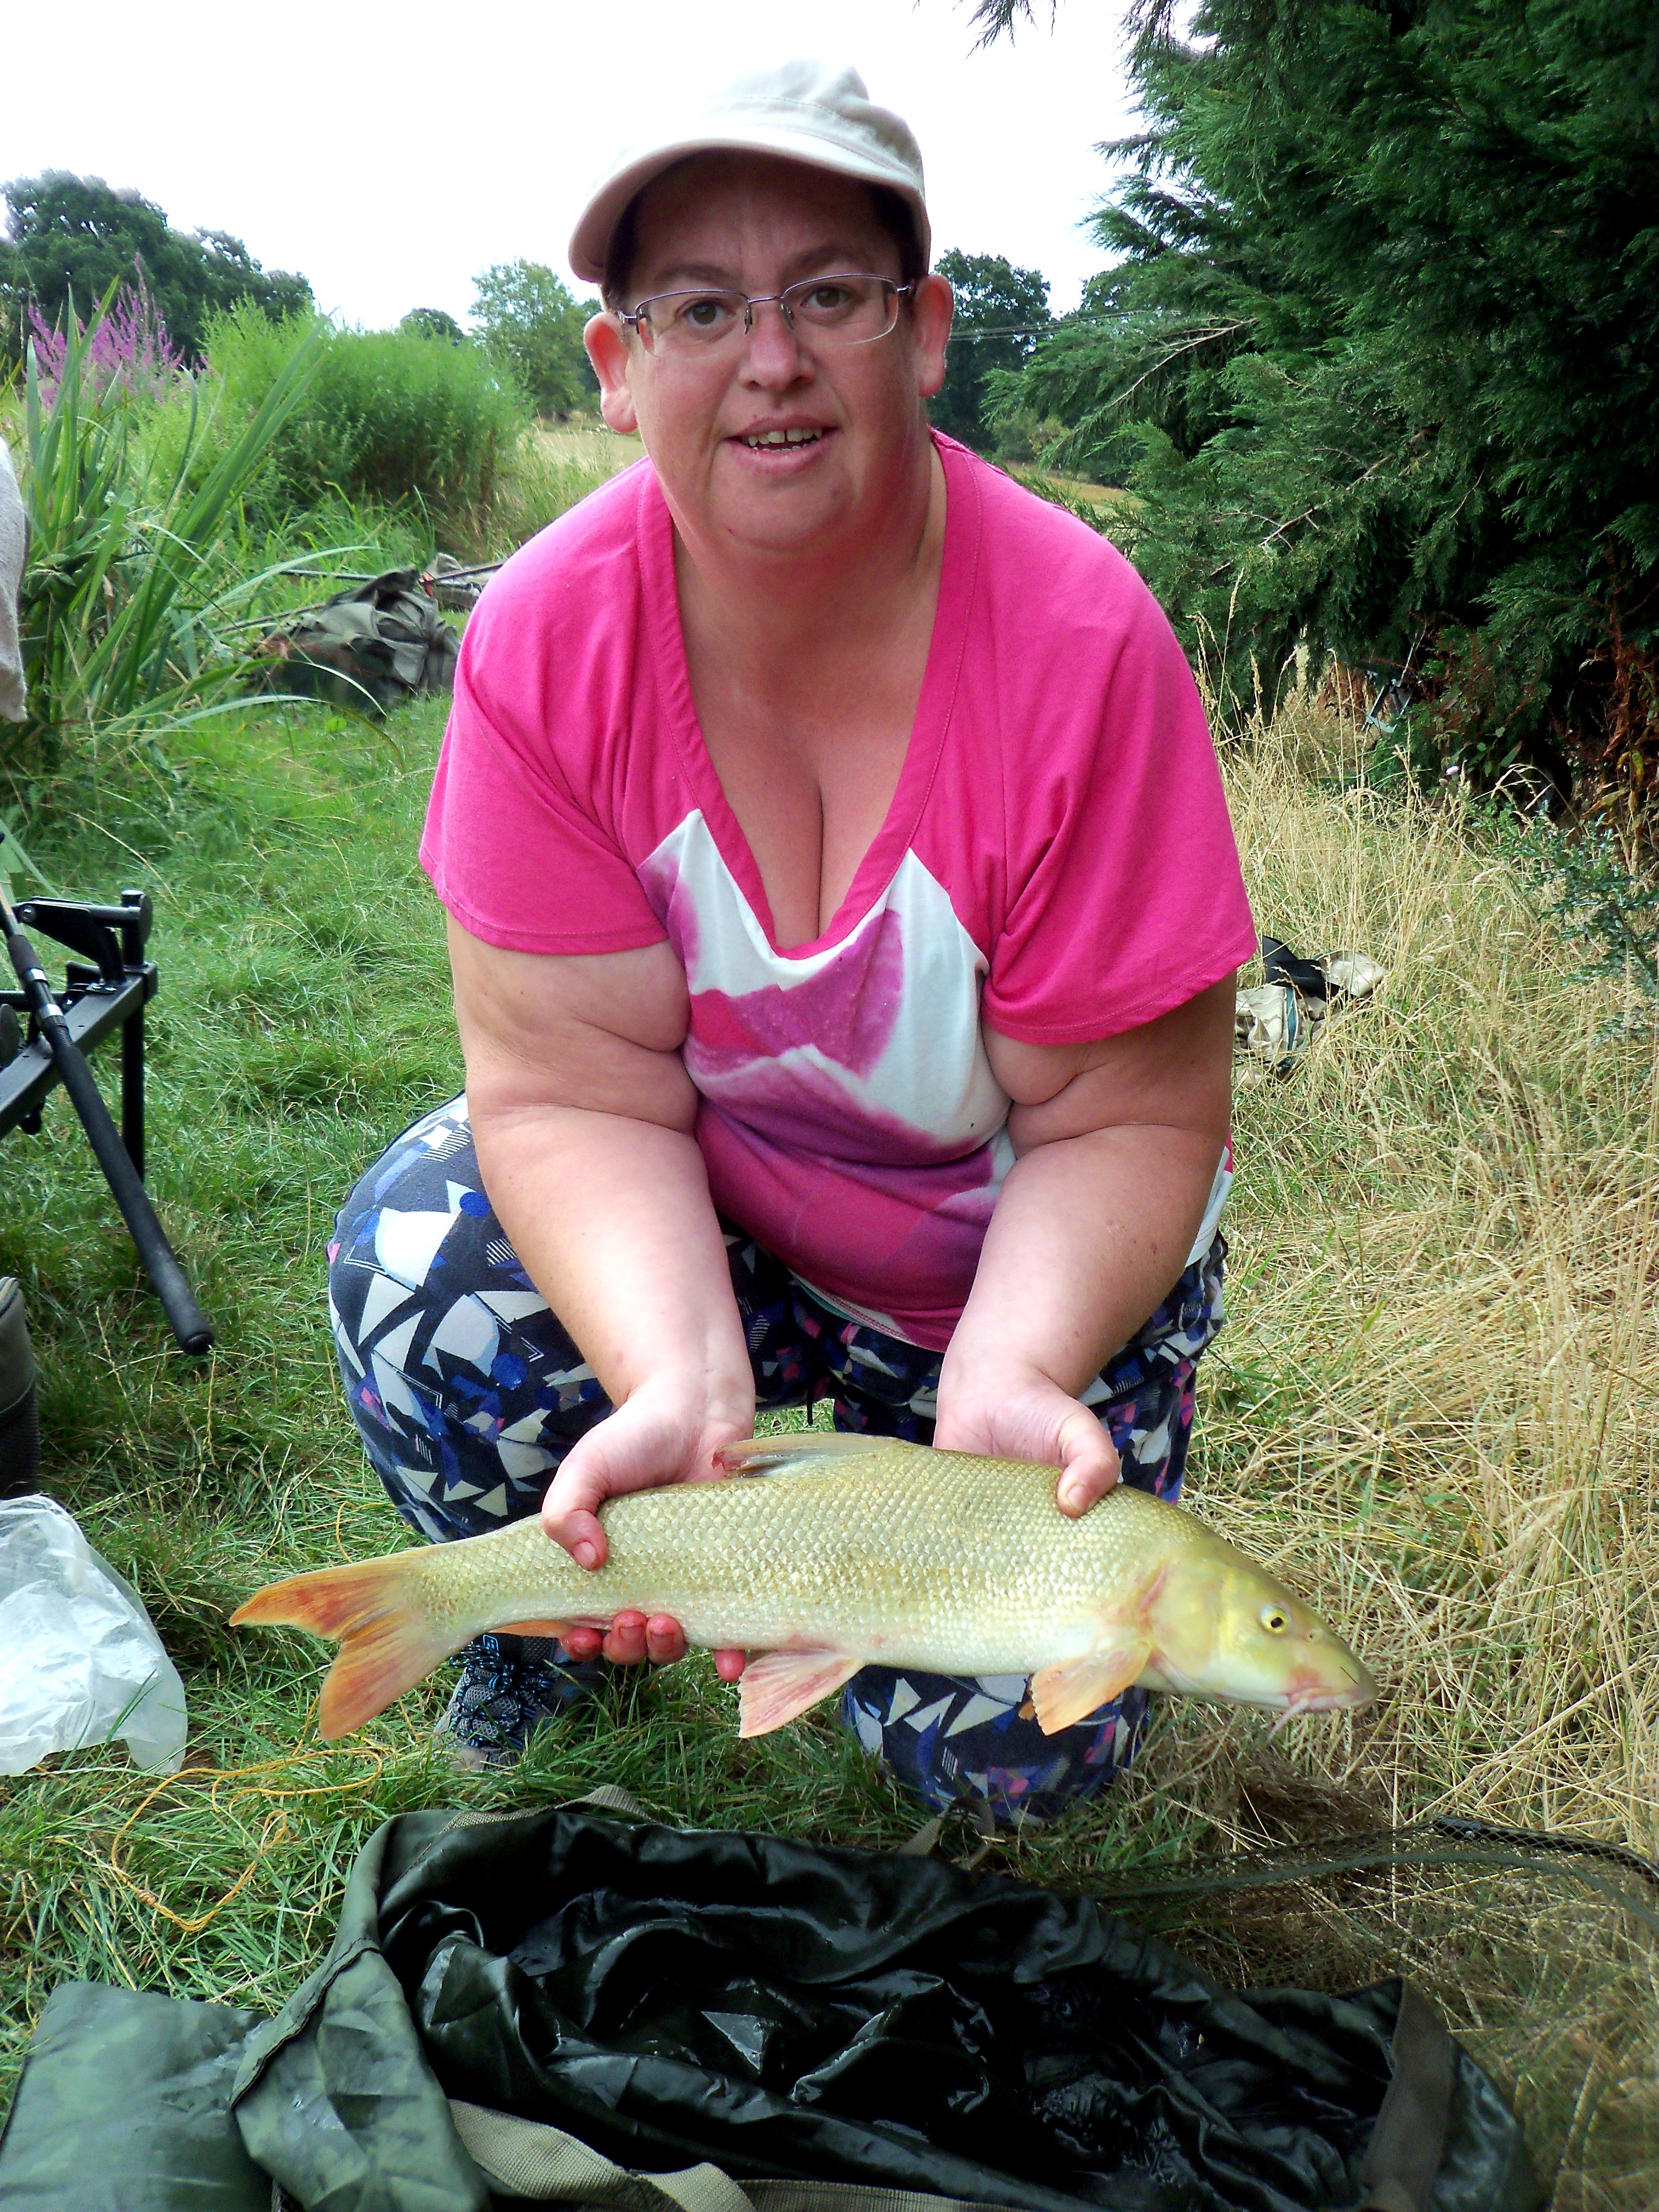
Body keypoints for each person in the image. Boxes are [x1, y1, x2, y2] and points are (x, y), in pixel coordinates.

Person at [328, 60, 1256, 1822]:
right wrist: (675, 1373)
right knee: (415, 1266)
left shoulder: (1081, 646)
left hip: (1006, 1272)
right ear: (616, 370)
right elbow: (570, 1091)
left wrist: (1012, 1367)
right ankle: (532, 1626)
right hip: (720, 1218)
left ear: (922, 333)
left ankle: (863, 1583)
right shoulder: (542, 641)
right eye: (700, 307)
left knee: (1023, 1761)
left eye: (830, 293)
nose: (771, 358)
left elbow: (1123, 1123)